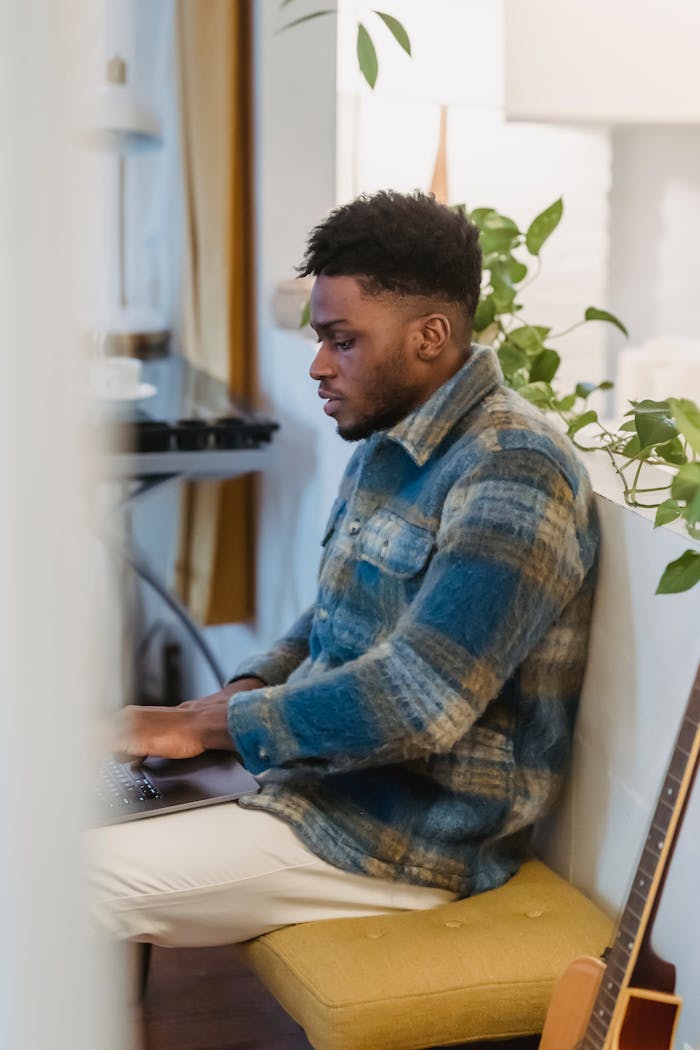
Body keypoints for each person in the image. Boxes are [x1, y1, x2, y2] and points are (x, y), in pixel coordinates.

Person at [92, 190, 599, 948]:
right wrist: (239, 693)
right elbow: (330, 618)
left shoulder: (513, 471)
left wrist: (206, 725)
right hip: (314, 785)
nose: (319, 366)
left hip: (403, 837)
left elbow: (419, 700)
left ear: (430, 335)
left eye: (342, 340)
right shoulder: (391, 439)